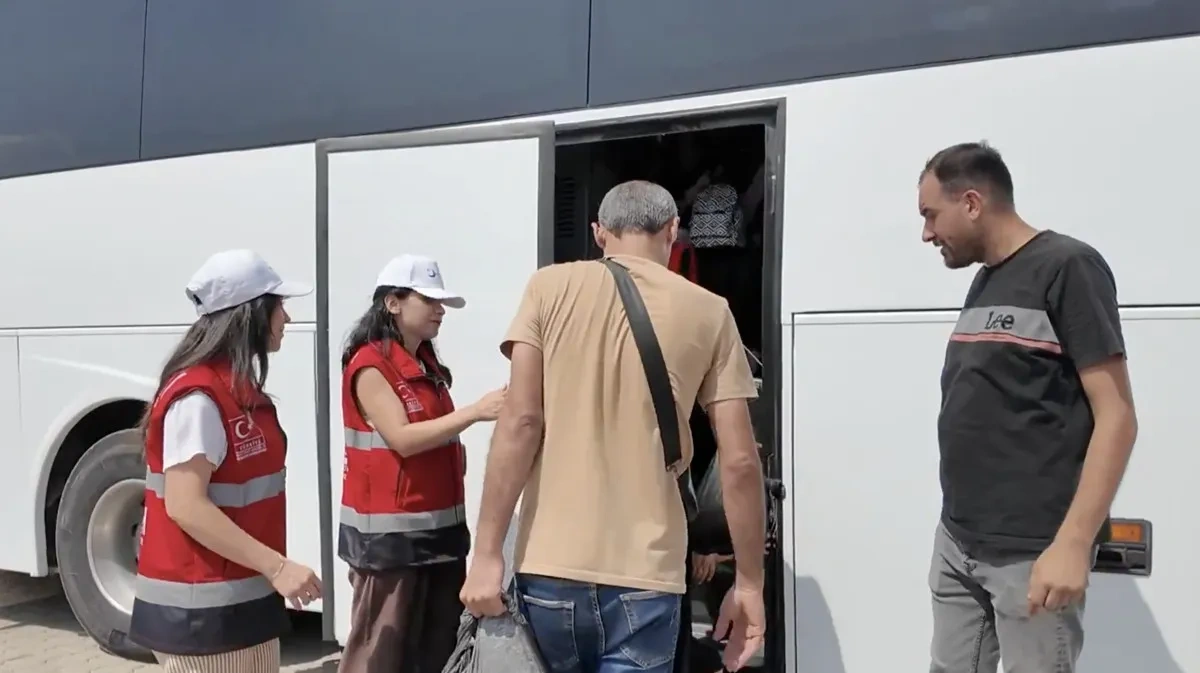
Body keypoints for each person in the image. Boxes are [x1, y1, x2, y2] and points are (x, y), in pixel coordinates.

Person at [460, 180, 768, 673]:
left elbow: (521, 421)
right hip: (648, 579)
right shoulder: (711, 311)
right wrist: (749, 583)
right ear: (673, 230)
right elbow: (739, 462)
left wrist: (486, 554)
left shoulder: (547, 288)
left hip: (549, 569)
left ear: (599, 233)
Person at [918, 142, 1138, 672]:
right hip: (959, 540)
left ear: (972, 203)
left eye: (931, 214)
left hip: (1031, 553)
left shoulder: (1068, 267)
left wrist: (1073, 544)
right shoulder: (987, 278)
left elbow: (1117, 417)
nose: (926, 233)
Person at [129, 249, 322, 673]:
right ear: (251, 314)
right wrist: (278, 567)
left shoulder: (232, 389)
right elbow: (186, 505)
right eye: (280, 306)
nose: (287, 318)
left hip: (238, 606)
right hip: (203, 619)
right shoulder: (199, 398)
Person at [336, 253, 507, 673]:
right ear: (392, 303)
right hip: (390, 547)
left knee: (436, 654)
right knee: (379, 657)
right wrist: (475, 412)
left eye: (441, 302)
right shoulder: (370, 366)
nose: (439, 310)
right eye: (428, 300)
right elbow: (403, 439)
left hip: (438, 539)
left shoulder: (424, 365)